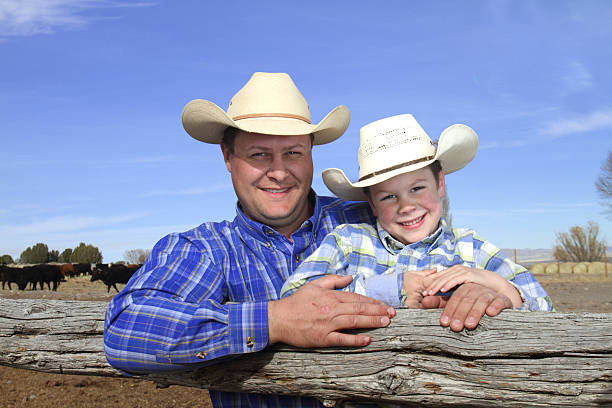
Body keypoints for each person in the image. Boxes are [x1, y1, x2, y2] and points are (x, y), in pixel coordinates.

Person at [104, 74, 522, 407]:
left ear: (311, 154)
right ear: (227, 157)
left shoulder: (370, 217)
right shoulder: (206, 250)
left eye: (293, 153)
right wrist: (278, 320)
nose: (279, 171)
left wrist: (479, 288)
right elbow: (127, 329)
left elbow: (443, 252)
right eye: (258, 155)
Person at [281, 114, 553, 318]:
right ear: (372, 204)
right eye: (389, 196)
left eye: (417, 188)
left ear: (440, 184)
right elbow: (294, 297)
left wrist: (492, 284)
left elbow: (544, 306)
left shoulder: (469, 249)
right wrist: (388, 290)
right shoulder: (349, 242)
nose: (406, 206)